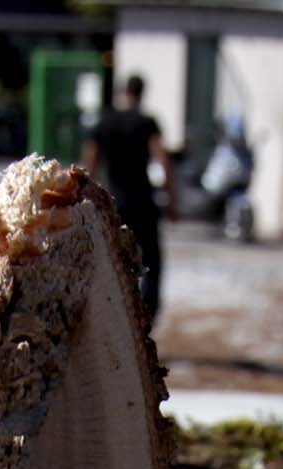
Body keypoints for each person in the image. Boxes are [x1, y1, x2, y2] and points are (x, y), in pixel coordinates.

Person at [81, 75, 175, 323]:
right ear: (142, 93)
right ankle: (146, 318)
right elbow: (162, 159)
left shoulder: (105, 122)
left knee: (115, 261)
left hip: (115, 203)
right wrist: (171, 199)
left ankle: (116, 317)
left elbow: (90, 162)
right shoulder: (147, 123)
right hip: (143, 201)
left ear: (123, 91)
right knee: (151, 262)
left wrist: (84, 196)